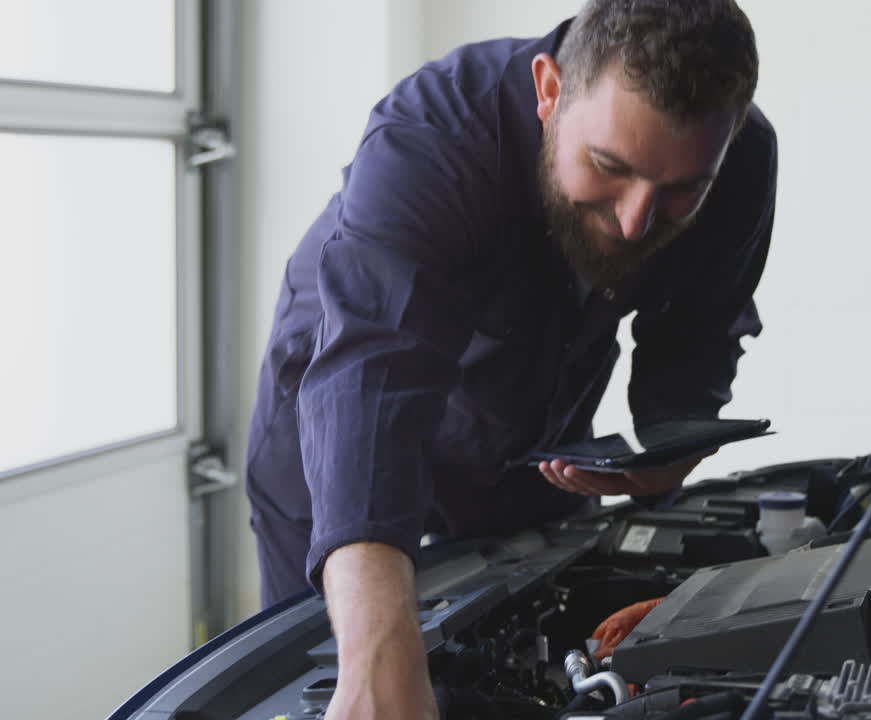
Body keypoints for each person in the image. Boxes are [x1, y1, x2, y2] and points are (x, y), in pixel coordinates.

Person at [245, 0, 775, 716]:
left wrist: (666, 442)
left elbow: (700, 330)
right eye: (608, 167)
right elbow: (373, 379)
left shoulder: (740, 160)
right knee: (343, 683)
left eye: (681, 191)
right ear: (548, 89)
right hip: (337, 429)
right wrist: (377, 654)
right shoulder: (432, 139)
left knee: (514, 659)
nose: (635, 220)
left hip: (527, 427)